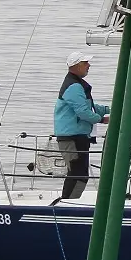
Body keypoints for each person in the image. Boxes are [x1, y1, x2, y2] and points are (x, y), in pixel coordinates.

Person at [52, 51, 109, 202]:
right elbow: (83, 112)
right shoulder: (74, 86)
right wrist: (102, 120)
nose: (88, 65)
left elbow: (89, 106)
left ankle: (70, 200)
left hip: (77, 136)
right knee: (77, 172)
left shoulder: (75, 84)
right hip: (72, 137)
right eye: (85, 63)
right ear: (76, 66)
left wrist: (110, 109)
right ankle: (66, 202)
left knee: (80, 172)